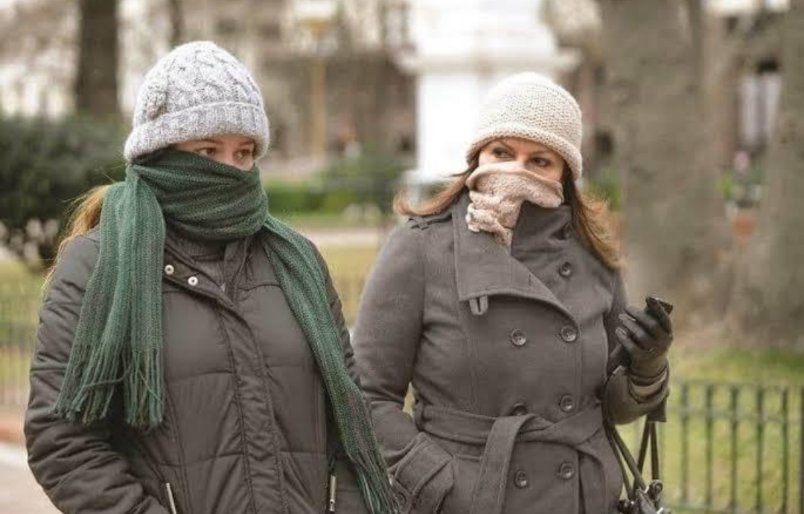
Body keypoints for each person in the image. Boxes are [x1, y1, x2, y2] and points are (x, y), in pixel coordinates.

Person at [25, 41, 394, 514]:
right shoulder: (96, 266)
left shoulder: (297, 260)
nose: (230, 170)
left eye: (243, 153)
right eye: (207, 149)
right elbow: (63, 441)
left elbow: (349, 415)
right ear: (160, 153)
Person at [352, 73, 673, 514]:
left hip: (580, 498)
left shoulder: (593, 255)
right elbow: (366, 394)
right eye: (502, 152)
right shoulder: (421, 247)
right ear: (478, 155)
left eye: (539, 160)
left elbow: (611, 407)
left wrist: (648, 367)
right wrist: (437, 481)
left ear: (564, 172)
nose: (516, 171)